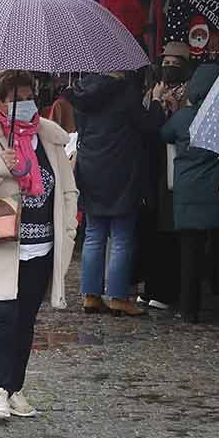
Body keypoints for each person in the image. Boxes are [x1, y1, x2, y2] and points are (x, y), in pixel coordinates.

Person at [0, 70, 78, 422]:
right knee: (2, 319)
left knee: (25, 322)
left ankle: (16, 386)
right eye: (16, 98)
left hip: (41, 247)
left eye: (29, 96)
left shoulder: (50, 138)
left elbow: (67, 189)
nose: (25, 104)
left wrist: (69, 230)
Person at [70, 70, 161, 317]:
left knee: (93, 234)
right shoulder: (125, 94)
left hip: (91, 168)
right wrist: (156, 103)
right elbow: (149, 127)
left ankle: (90, 295)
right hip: (121, 170)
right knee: (122, 236)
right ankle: (118, 296)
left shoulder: (81, 93)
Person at [159, 63, 219, 324]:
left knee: (190, 256)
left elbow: (164, 135)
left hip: (189, 197)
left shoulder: (183, 118)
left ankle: (189, 309)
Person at [138, 42, 193, 311]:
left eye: (175, 63)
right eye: (166, 62)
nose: (168, 68)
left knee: (168, 231)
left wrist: (169, 107)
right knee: (150, 229)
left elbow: (174, 129)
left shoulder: (188, 93)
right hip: (152, 169)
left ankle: (164, 290)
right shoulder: (153, 91)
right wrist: (157, 103)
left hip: (174, 171)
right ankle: (149, 287)